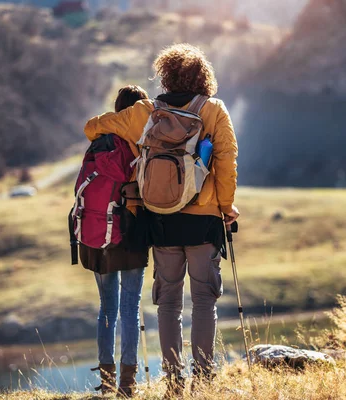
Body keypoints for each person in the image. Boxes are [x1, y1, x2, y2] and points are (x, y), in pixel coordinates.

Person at [84, 43, 239, 397]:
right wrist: (226, 206)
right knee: (203, 299)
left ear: (165, 75)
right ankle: (203, 377)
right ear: (204, 76)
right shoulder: (213, 109)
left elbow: (92, 128)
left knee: (168, 301)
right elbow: (227, 162)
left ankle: (173, 381)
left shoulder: (147, 111)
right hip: (203, 220)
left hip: (162, 219)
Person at [82, 85, 150, 398]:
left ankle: (107, 380)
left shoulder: (99, 139)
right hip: (131, 231)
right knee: (130, 308)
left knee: (106, 308)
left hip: (96, 233)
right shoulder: (141, 138)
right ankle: (128, 382)